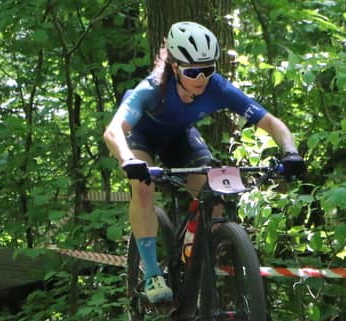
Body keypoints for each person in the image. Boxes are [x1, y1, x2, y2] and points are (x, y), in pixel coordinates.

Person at [103, 21, 305, 304]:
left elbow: (271, 122)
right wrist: (127, 160)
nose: (201, 78)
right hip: (141, 137)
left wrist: (291, 152)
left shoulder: (218, 88)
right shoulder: (151, 89)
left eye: (208, 70)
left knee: (214, 194)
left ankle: (191, 255)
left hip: (179, 138)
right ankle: (152, 274)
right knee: (143, 187)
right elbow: (113, 131)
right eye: (192, 71)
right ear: (174, 67)